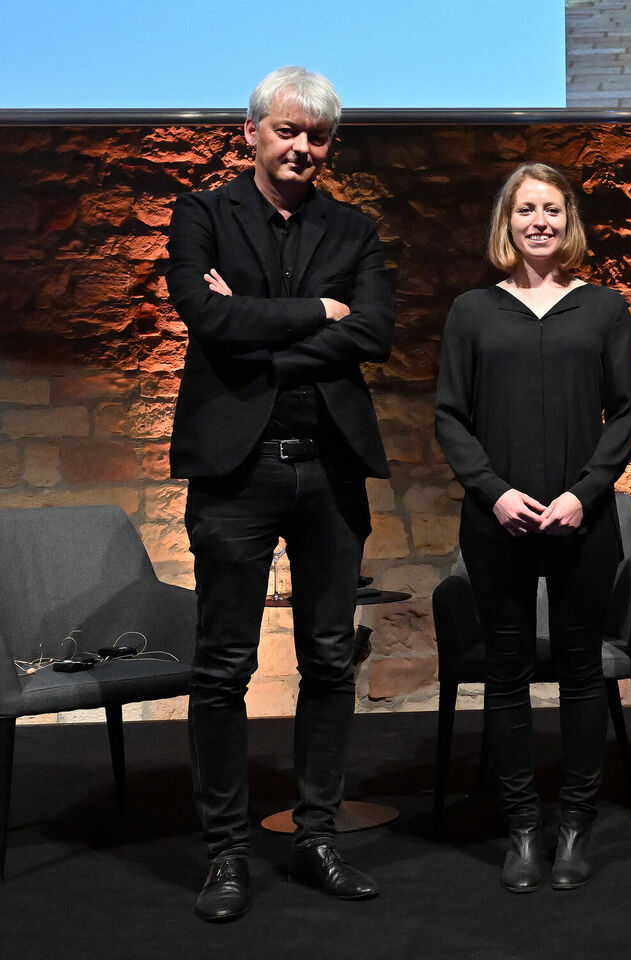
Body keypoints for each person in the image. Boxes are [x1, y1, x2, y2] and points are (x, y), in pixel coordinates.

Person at [166, 66, 394, 921]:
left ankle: (317, 839)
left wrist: (263, 325)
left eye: (318, 136)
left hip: (329, 467)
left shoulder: (354, 227)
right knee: (224, 666)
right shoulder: (203, 215)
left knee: (330, 661)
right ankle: (226, 853)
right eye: (289, 131)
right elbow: (206, 317)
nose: (303, 148)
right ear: (253, 132)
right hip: (237, 468)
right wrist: (318, 313)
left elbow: (373, 332)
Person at [435, 163, 631, 894]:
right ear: (507, 222)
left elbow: (625, 416)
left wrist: (588, 494)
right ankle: (523, 830)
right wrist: (492, 493)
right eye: (526, 210)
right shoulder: (472, 311)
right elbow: (450, 417)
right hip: (500, 525)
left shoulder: (605, 310)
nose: (540, 222)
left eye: (552, 209)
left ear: (569, 220)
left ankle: (576, 827)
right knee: (508, 675)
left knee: (585, 676)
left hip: (582, 525)